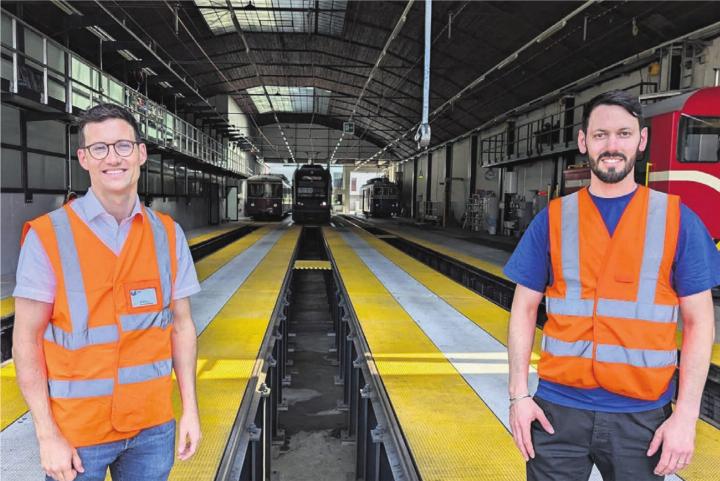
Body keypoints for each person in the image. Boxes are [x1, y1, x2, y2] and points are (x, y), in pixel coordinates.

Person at [505, 90, 719, 481]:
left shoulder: (678, 220)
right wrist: (518, 395)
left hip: (642, 419)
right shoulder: (553, 219)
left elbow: (700, 323)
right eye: (600, 135)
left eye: (623, 133)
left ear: (641, 140)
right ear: (584, 142)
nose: (612, 146)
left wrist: (686, 416)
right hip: (557, 413)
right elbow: (522, 308)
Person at [12, 103, 202, 481]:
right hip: (77, 435)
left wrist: (190, 410)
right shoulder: (48, 236)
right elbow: (25, 341)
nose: (112, 158)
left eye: (122, 146)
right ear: (83, 158)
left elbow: (181, 328)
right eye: (99, 148)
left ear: (141, 153)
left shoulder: (168, 234)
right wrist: (46, 434)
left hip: (153, 428)